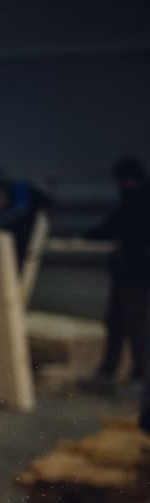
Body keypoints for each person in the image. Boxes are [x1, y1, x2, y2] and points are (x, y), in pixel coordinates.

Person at [85, 155, 150, 389]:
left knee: (137, 326)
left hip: (139, 275)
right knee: (114, 322)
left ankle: (140, 377)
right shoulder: (129, 201)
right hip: (124, 273)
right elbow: (112, 226)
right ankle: (108, 371)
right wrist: (85, 236)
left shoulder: (143, 202)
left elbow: (128, 233)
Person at [0, 178, 50, 270]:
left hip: (18, 247)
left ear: (7, 197)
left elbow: (45, 203)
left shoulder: (24, 203)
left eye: (0, 198)